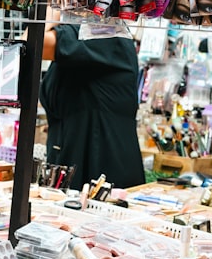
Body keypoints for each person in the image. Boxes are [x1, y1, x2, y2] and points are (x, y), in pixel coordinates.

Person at [39, 21, 145, 190]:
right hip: (71, 165)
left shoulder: (106, 34)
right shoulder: (80, 45)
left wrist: (52, 14)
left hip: (100, 170)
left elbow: (33, 42)